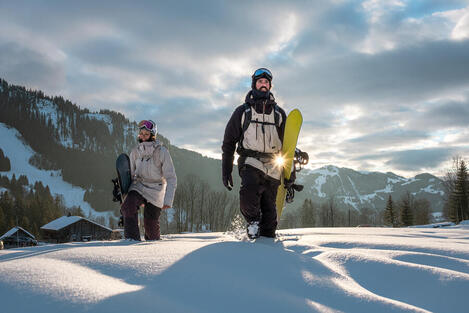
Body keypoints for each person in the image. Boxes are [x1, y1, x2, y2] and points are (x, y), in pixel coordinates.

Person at [222, 68, 288, 239]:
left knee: (270, 215)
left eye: (266, 82)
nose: (263, 85)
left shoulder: (279, 114)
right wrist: (226, 169)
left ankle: (266, 241)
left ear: (270, 86)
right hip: (250, 161)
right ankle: (252, 222)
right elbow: (229, 143)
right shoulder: (243, 112)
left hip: (273, 165)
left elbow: (287, 145)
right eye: (260, 82)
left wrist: (290, 175)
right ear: (254, 85)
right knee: (248, 195)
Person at [121, 120, 177, 241]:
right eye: (141, 134)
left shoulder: (162, 152)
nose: (143, 137)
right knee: (128, 207)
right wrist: (124, 190)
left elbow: (171, 178)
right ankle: (131, 240)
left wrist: (168, 200)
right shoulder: (135, 151)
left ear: (153, 135)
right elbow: (130, 174)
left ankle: (152, 247)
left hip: (156, 189)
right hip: (139, 185)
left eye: (146, 134)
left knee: (150, 225)